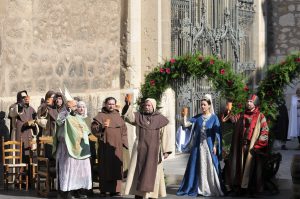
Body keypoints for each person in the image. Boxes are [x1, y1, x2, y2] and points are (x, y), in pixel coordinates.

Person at [123, 97, 172, 199]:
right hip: (139, 150)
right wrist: (128, 105)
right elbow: (128, 117)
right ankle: (139, 194)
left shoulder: (161, 119)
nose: (147, 107)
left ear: (153, 106)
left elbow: (165, 135)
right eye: (145, 105)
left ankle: (151, 195)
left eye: (149, 105)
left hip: (154, 150)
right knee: (138, 172)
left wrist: (166, 150)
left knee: (153, 173)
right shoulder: (138, 117)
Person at [176, 94, 224, 197]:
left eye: (204, 105)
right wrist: (184, 115)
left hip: (209, 146)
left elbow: (217, 133)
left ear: (209, 106)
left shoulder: (214, 118)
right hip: (198, 147)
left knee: (210, 166)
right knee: (198, 166)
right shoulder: (197, 117)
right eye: (201, 105)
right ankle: (199, 188)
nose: (202, 106)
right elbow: (186, 125)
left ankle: (210, 188)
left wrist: (215, 145)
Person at [227, 94, 269, 196]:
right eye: (248, 101)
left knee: (252, 169)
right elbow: (232, 120)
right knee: (240, 168)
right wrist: (228, 112)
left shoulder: (260, 116)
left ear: (255, 103)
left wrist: (258, 146)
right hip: (241, 146)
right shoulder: (241, 115)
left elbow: (265, 131)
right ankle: (240, 190)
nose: (249, 103)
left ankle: (252, 190)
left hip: (253, 147)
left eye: (251, 101)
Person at [53, 91, 92, 199]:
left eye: (76, 105)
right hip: (66, 148)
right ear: (68, 105)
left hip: (78, 147)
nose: (76, 107)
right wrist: (67, 111)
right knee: (68, 169)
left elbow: (84, 130)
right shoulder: (64, 114)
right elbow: (59, 122)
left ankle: (78, 190)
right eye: (74, 105)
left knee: (79, 170)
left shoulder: (79, 117)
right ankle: (66, 192)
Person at [91, 97, 128, 197]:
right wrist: (102, 126)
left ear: (115, 105)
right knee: (105, 167)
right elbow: (94, 129)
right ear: (105, 104)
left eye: (113, 104)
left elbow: (124, 130)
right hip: (105, 146)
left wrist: (124, 142)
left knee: (116, 167)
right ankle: (104, 189)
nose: (111, 106)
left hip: (117, 147)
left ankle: (116, 190)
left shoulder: (118, 116)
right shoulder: (100, 115)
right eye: (109, 104)